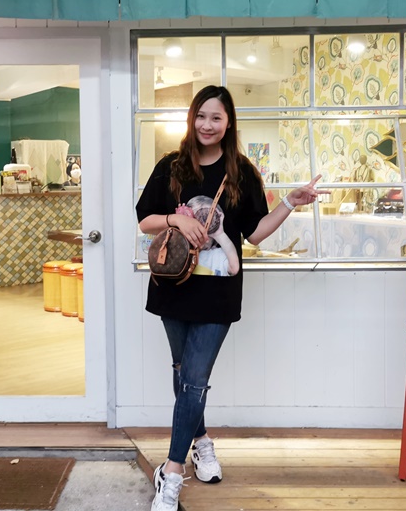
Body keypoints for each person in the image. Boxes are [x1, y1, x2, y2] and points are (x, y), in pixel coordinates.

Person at [136, 85, 329, 511]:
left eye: (216, 118)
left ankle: (170, 471)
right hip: (172, 286)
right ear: (193, 118)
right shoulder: (171, 166)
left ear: (228, 123)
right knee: (184, 370)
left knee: (195, 376)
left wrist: (291, 203)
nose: (207, 125)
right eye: (201, 116)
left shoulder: (241, 171)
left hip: (217, 294)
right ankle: (200, 440)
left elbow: (256, 233)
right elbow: (145, 219)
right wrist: (176, 220)